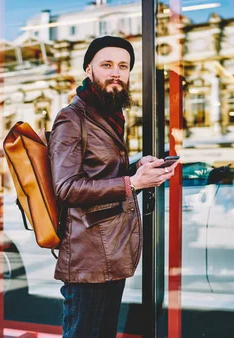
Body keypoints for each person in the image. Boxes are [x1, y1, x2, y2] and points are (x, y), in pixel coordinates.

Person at [48, 36, 178, 338]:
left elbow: (99, 172)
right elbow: (66, 187)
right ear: (88, 69)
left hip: (110, 251)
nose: (116, 72)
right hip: (88, 258)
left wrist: (136, 168)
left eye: (123, 66)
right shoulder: (71, 118)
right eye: (106, 65)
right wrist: (133, 182)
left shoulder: (109, 114)